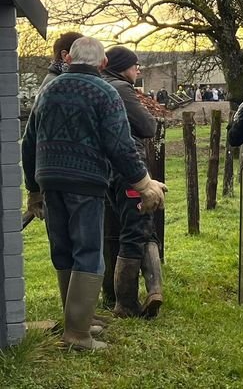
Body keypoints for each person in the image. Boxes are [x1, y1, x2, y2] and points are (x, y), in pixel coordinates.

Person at [22, 37, 166, 350]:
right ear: (102, 64)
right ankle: (77, 336)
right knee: (88, 251)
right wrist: (143, 183)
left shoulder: (49, 89)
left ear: (69, 59)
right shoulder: (103, 91)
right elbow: (119, 145)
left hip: (49, 179)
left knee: (62, 250)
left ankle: (76, 322)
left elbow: (28, 140)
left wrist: (33, 189)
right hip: (85, 182)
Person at [102, 46, 164, 318]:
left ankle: (151, 291)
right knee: (137, 228)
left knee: (122, 229)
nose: (138, 69)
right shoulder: (121, 89)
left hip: (104, 170)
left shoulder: (99, 86)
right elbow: (148, 126)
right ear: (121, 66)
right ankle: (125, 303)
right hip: (129, 168)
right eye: (135, 65)